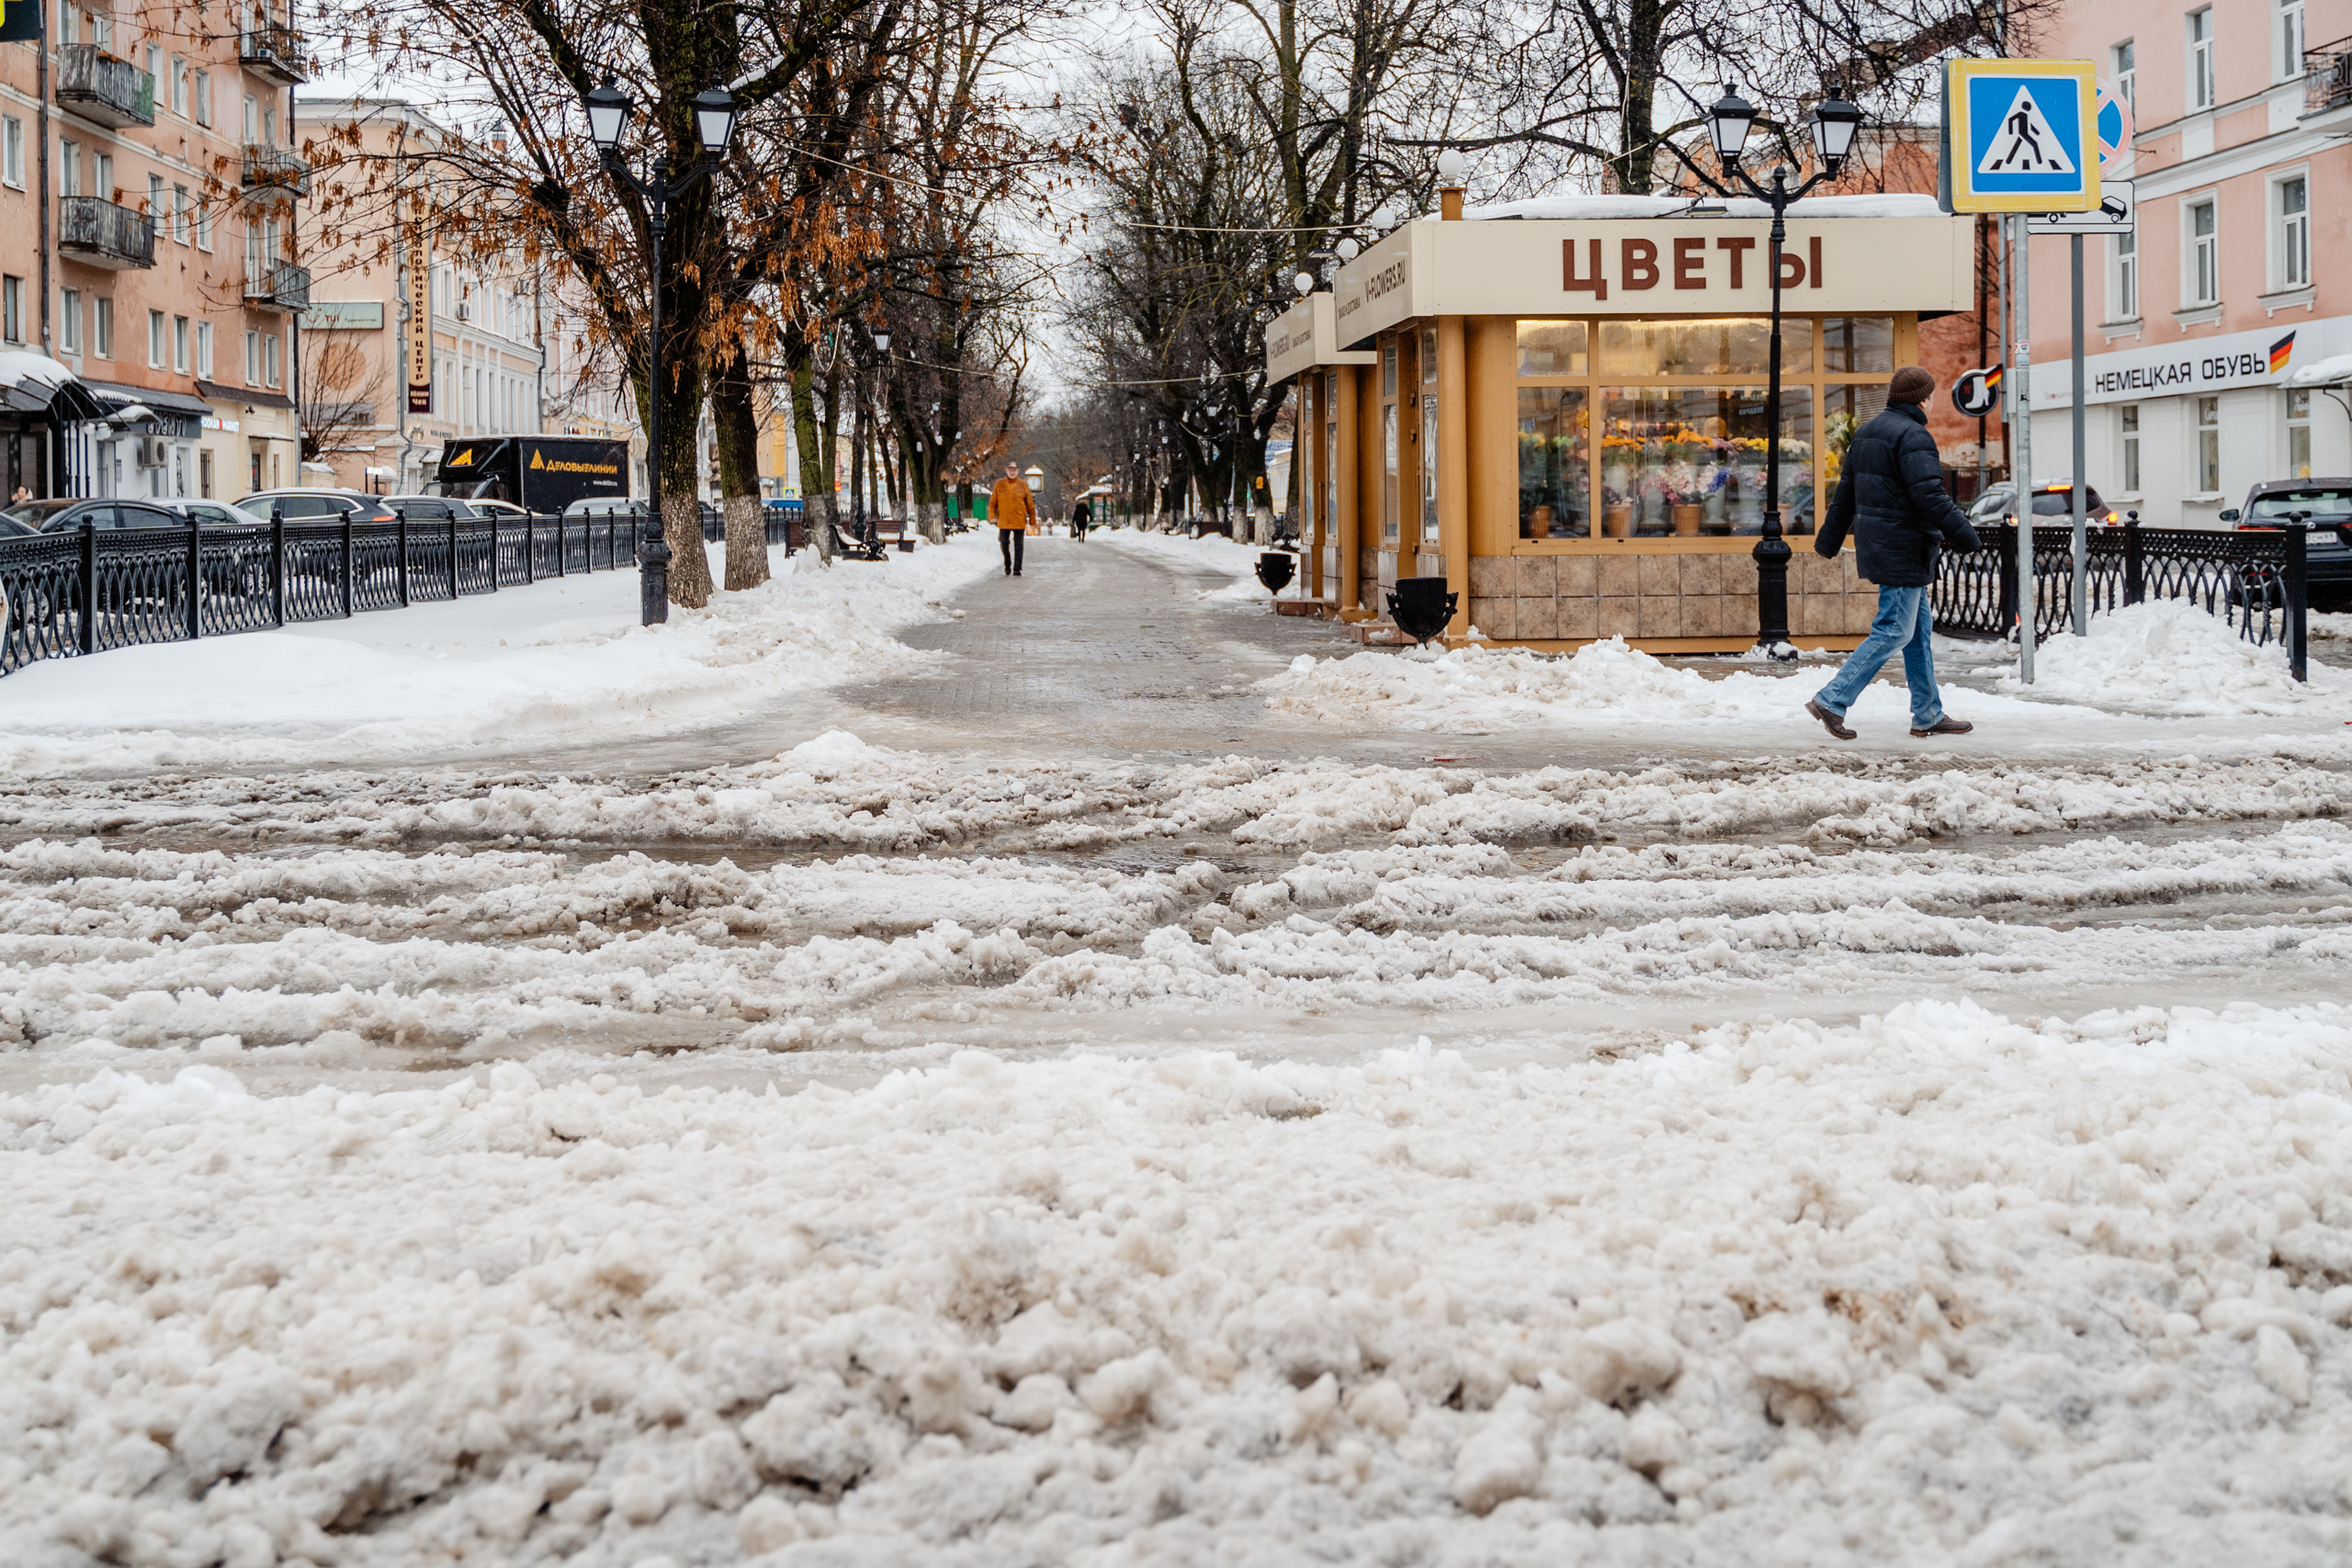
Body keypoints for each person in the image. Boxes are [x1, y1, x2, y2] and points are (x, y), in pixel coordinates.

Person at [1804, 366, 1981, 740]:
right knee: (1894, 630)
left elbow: (1845, 496)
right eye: (1931, 396)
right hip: (1903, 548)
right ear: (1922, 399)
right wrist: (1966, 535)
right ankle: (1832, 699)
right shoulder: (1914, 436)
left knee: (1917, 632)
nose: (1932, 402)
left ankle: (1928, 714)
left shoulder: (1867, 434)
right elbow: (1930, 496)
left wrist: (1827, 540)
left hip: (1885, 545)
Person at [988, 462, 1036, 576]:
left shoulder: (1023, 484)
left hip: (1019, 520)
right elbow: (993, 503)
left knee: (1019, 545)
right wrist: (992, 516)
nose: (1012, 472)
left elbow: (1030, 504)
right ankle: (1007, 562)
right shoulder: (999, 484)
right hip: (1004, 520)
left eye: (1014, 470)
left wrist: (1032, 520)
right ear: (1006, 470)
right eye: (1010, 469)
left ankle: (1017, 569)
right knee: (1004, 543)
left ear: (1018, 471)